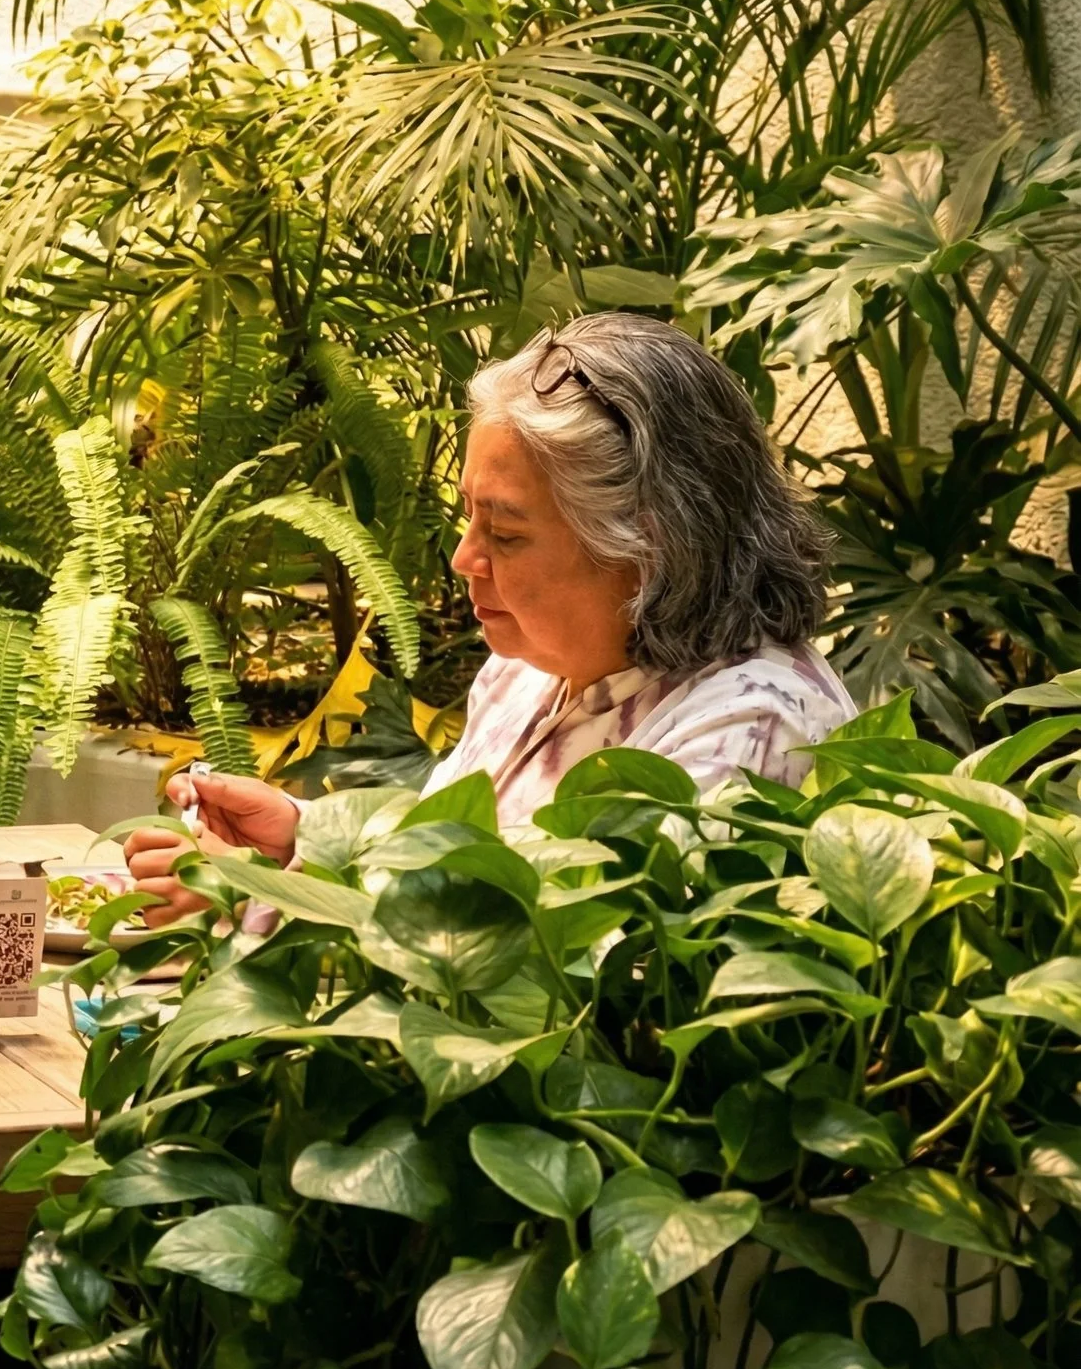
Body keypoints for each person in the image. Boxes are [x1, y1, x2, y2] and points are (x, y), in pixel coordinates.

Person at [128, 312, 856, 916]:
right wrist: (297, 841)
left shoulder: (754, 723)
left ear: (650, 544)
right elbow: (449, 869)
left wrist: (272, 890)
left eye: (505, 534)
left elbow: (558, 980)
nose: (464, 559)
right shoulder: (527, 672)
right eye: (469, 518)